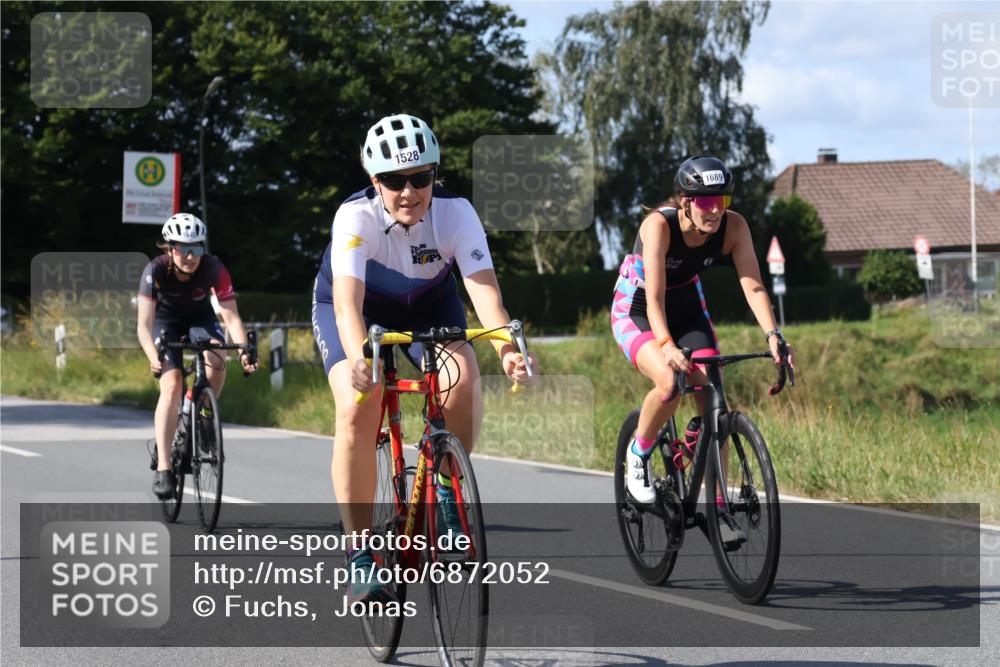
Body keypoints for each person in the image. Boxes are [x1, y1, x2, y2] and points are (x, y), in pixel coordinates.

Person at [311, 113, 536, 601]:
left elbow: (486, 298)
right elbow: (348, 306)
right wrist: (358, 360)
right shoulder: (356, 217)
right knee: (357, 408)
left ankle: (448, 494)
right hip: (355, 308)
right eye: (394, 181)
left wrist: (507, 349)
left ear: (435, 175)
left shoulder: (456, 214)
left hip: (430, 304)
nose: (409, 191)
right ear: (375, 182)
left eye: (421, 178)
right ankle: (359, 550)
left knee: (463, 376)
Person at [611, 156, 794, 542]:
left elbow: (754, 284)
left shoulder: (734, 226)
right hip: (640, 306)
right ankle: (639, 455)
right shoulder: (658, 225)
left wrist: (773, 335)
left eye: (721, 202)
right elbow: (655, 298)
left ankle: (718, 511)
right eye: (706, 202)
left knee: (714, 399)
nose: (715, 211)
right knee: (668, 380)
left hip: (688, 304)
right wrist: (666, 345)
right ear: (685, 201)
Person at [137, 213, 258, 499]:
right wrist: (152, 355)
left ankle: (202, 410)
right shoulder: (155, 270)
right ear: (170, 248)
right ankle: (164, 468)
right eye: (183, 248)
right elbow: (143, 324)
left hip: (200, 319)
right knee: (172, 384)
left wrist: (244, 351)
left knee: (217, 357)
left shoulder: (214, 268)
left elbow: (231, 317)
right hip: (165, 323)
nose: (191, 256)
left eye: (197, 248)